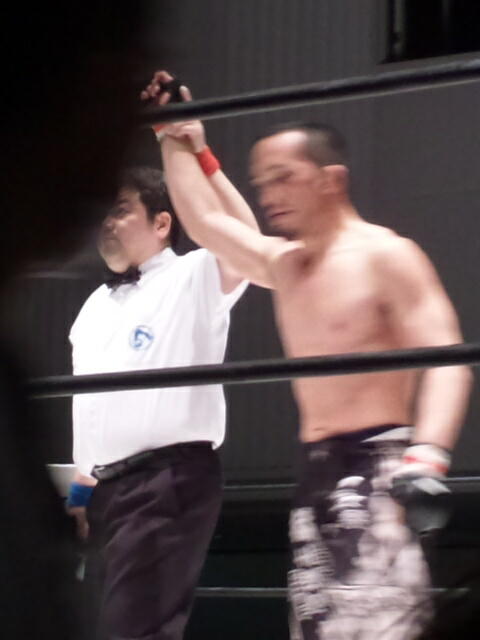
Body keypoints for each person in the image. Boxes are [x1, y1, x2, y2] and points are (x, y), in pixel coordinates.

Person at [149, 71, 473, 639]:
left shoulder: (386, 256)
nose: (269, 195)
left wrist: (429, 455)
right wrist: (172, 137)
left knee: (383, 627)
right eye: (262, 182)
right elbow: (206, 223)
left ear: (330, 180)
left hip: (378, 467)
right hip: (315, 471)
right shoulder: (287, 265)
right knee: (315, 627)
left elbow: (448, 355)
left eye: (284, 178)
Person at [67, 165, 255, 640]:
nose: (107, 222)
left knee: (132, 632)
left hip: (165, 479)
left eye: (121, 210)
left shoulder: (193, 274)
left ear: (162, 223)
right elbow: (90, 415)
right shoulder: (93, 307)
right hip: (104, 492)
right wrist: (80, 498)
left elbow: (248, 241)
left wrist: (200, 157)